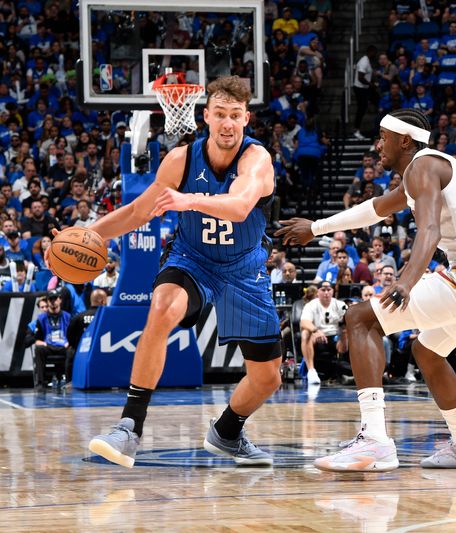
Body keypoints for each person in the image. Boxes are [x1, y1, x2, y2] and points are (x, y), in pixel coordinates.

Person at [277, 108, 456, 471]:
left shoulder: (423, 166)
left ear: (404, 140)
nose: (378, 145)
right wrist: (316, 228)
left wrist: (406, 281)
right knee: (426, 349)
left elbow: (428, 231)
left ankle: (374, 440)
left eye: (383, 137)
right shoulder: (426, 172)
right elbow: (375, 209)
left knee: (361, 318)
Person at [64, 77, 282, 468]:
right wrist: (85, 233)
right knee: (161, 308)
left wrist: (187, 200)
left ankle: (228, 431)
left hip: (244, 270)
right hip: (192, 259)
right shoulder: (181, 159)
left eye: (235, 115)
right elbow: (136, 212)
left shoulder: (257, 160)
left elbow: (238, 206)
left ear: (246, 118)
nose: (228, 123)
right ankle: (129, 426)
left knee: (267, 379)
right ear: (206, 117)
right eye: (220, 115)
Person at [299, 280, 349, 384]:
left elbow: (351, 320)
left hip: (336, 337)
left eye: (328, 289)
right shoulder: (311, 305)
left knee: (349, 332)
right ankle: (311, 371)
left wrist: (344, 329)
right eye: (323, 290)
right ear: (318, 292)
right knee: (305, 333)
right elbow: (304, 322)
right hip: (317, 337)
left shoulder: (341, 305)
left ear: (333, 291)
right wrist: (316, 330)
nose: (326, 292)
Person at [66, 289, 108, 383]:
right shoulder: (108, 316)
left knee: (71, 351)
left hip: (80, 353)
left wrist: (76, 347)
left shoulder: (78, 317)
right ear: (102, 301)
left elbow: (70, 336)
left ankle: (70, 382)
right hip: (104, 352)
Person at [32, 289, 71, 388]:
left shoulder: (67, 317)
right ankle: (41, 383)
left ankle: (69, 382)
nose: (53, 302)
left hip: (63, 346)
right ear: (48, 301)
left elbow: (72, 335)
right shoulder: (41, 318)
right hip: (48, 346)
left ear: (60, 300)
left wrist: (69, 343)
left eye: (55, 299)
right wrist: (42, 343)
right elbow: (36, 339)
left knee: (72, 350)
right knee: (39, 349)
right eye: (51, 299)